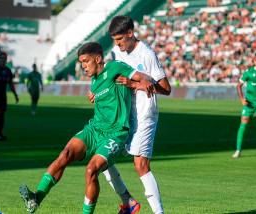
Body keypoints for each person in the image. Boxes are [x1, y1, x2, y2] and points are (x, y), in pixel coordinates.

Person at [19, 42, 156, 214]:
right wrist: (94, 95)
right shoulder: (94, 80)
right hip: (94, 129)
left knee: (91, 170)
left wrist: (137, 84)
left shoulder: (114, 67)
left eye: (86, 61)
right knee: (65, 154)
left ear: (98, 58)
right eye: (81, 63)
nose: (83, 66)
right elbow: (104, 94)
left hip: (115, 133)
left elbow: (147, 78)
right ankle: (36, 199)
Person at [97, 15, 171, 214]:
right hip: (124, 114)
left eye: (120, 39)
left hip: (145, 113)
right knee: (102, 157)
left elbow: (166, 88)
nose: (117, 44)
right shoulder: (116, 52)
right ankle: (129, 203)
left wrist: (134, 84)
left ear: (130, 33)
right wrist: (96, 90)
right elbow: (108, 76)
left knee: (141, 164)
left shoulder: (146, 54)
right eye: (114, 40)